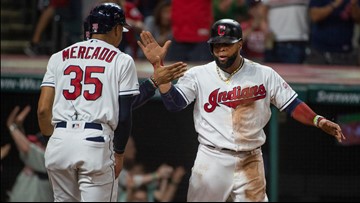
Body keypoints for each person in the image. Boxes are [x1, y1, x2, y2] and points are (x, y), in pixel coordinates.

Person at [149, 19, 346, 201]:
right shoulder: (198, 75)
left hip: (250, 159)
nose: (221, 49)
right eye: (217, 44)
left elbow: (292, 104)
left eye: (227, 43)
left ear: (240, 44)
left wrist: (318, 120)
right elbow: (174, 104)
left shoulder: (263, 74)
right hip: (212, 159)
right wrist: (161, 76)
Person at [37, 3, 186, 201]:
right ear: (116, 29)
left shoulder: (58, 57)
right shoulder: (120, 59)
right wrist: (120, 153)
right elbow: (123, 114)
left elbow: (43, 110)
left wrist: (54, 140)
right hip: (95, 142)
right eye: (120, 30)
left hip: (59, 141)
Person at [6, 105, 53, 202]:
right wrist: (18, 127)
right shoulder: (35, 159)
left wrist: (12, 126)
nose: (35, 145)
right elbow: (23, 144)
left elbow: (26, 147)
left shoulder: (48, 159)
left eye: (38, 143)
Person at [305, 0, 360, 66]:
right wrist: (334, 4)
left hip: (344, 53)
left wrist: (353, 5)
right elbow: (315, 17)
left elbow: (358, 19)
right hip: (319, 51)